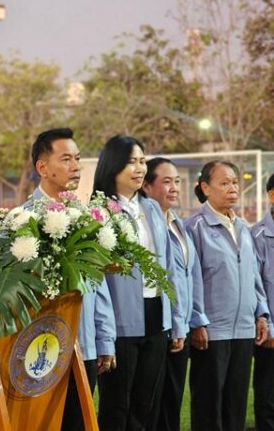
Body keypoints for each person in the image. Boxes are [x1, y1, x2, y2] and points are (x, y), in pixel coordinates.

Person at [27, 128, 116, 430]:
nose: (76, 166)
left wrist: (104, 339)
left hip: (85, 346)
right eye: (66, 159)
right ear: (42, 167)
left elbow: (97, 284)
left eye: (77, 158)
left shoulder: (86, 217)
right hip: (43, 350)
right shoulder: (22, 220)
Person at [93, 135, 177, 431]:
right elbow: (97, 278)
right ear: (113, 165)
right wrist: (104, 334)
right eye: (131, 162)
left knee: (144, 407)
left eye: (142, 161)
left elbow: (167, 266)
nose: (140, 168)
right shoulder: (99, 212)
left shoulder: (151, 208)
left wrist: (175, 320)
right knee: (117, 409)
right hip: (120, 322)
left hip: (156, 317)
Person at [185, 160, 269, 431]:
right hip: (212, 332)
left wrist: (261, 313)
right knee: (208, 408)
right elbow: (190, 279)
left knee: (236, 406)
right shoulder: (194, 227)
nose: (232, 188)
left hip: (244, 330)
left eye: (234, 182)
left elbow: (254, 274)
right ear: (205, 188)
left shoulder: (243, 227)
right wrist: (197, 321)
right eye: (224, 183)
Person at [141, 158, 209, 431]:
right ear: (146, 186)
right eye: (166, 181)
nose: (174, 188)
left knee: (172, 403)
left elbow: (191, 276)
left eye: (177, 181)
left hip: (181, 328)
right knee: (152, 408)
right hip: (162, 327)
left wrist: (195, 320)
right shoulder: (146, 226)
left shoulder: (178, 224)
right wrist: (176, 324)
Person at [252, 173, 274, 431]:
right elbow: (255, 285)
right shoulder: (257, 235)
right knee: (268, 395)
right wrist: (268, 325)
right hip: (270, 333)